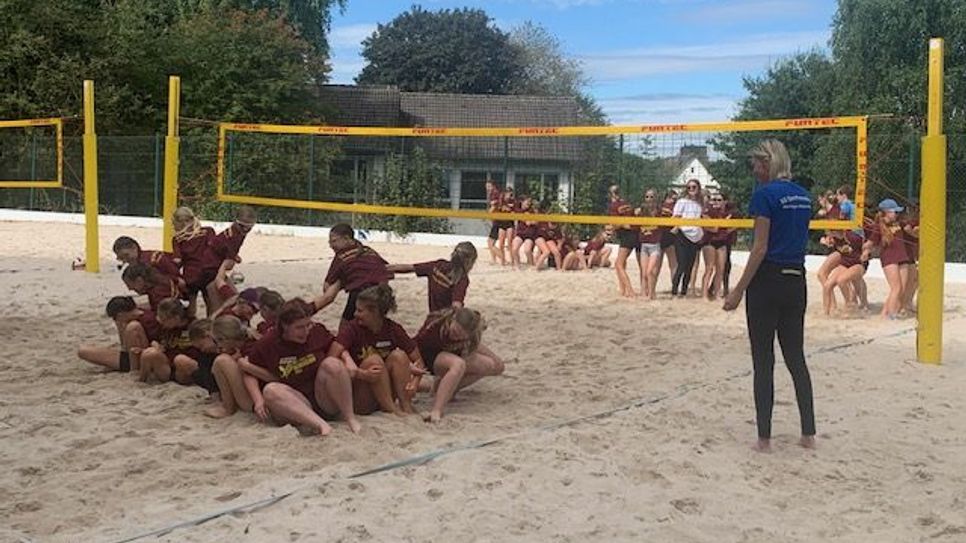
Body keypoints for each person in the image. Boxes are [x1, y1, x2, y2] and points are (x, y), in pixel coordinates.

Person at [723, 139, 815, 453]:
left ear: (767, 164)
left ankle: (764, 440)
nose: (753, 170)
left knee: (764, 360)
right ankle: (808, 434)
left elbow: (760, 247)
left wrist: (738, 290)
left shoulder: (763, 195)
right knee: (796, 357)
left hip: (768, 281)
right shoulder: (804, 196)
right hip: (796, 279)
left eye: (755, 165)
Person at [241, 298, 360, 435]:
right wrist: (258, 400)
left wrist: (348, 359)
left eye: (308, 325)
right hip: (293, 400)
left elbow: (337, 344)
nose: (305, 331)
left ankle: (350, 418)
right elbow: (249, 371)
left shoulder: (316, 331)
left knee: (332, 363)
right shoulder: (268, 343)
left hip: (321, 395)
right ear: (285, 326)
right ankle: (321, 425)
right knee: (271, 390)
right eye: (299, 327)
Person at [328, 285, 426, 416]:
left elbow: (418, 360)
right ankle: (392, 410)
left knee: (399, 356)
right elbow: (331, 358)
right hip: (361, 394)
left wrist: (415, 382)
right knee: (374, 360)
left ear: (375, 312)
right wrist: (358, 372)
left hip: (385, 388)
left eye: (360, 311)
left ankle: (405, 405)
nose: (355, 314)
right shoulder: (352, 329)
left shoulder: (393, 329)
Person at [414, 307, 504, 423]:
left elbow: (472, 353)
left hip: (453, 353)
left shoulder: (473, 335)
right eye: (455, 332)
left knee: (493, 366)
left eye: (461, 336)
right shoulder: (436, 325)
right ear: (453, 320)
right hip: (429, 355)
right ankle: (437, 409)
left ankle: (444, 389)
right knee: (458, 364)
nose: (456, 336)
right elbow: (416, 346)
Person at [312, 223, 393, 328]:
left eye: (334, 241)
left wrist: (342, 283)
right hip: (383, 293)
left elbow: (327, 287)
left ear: (346, 238)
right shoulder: (369, 250)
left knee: (346, 325)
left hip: (361, 292)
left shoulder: (342, 255)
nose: (331, 245)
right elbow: (385, 270)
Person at [77, 296, 159, 373]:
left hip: (142, 359)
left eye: (115, 317)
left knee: (133, 327)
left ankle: (133, 370)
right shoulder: (138, 314)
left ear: (120, 315)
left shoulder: (140, 323)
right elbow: (125, 347)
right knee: (83, 350)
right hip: (133, 355)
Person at [387, 242, 477, 312]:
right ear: (469, 262)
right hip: (447, 322)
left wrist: (385, 268)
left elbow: (409, 267)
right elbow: (456, 305)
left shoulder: (438, 265)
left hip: (432, 317)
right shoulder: (461, 279)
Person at [863, 199, 911, 320]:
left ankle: (884, 314)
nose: (896, 214)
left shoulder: (899, 223)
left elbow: (912, 225)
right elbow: (870, 243)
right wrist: (866, 250)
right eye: (894, 211)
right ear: (886, 212)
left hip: (903, 257)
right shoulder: (878, 227)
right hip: (889, 258)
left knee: (902, 289)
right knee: (896, 288)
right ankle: (891, 315)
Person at [670, 179, 705, 297]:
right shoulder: (682, 201)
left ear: (698, 188)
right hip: (682, 235)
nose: (691, 189)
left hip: (694, 237)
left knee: (690, 266)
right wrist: (677, 226)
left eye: (694, 187)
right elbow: (675, 217)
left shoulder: (700, 204)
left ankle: (684, 292)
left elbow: (702, 219)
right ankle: (674, 291)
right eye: (689, 187)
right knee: (682, 264)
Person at [112, 236, 183, 288]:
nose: (125, 260)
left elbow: (177, 277)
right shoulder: (136, 266)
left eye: (126, 255)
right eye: (121, 258)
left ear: (134, 247)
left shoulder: (153, 259)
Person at [608, 185, 639, 297]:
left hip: (627, 235)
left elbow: (616, 224)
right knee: (623, 263)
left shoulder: (613, 206)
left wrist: (612, 227)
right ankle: (623, 289)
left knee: (618, 264)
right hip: (634, 233)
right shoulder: (627, 204)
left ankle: (630, 290)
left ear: (611, 194)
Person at [636, 189, 663, 300]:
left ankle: (652, 293)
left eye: (651, 197)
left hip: (655, 245)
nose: (649, 199)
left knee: (650, 271)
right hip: (644, 245)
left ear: (655, 198)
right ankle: (644, 293)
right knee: (644, 272)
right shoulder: (640, 212)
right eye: (647, 197)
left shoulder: (660, 212)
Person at [510, 196, 538, 269]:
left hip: (529, 234)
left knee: (527, 250)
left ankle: (531, 265)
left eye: (529, 202)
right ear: (522, 202)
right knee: (514, 249)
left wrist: (531, 222)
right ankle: (517, 265)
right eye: (527, 202)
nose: (529, 203)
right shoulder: (518, 210)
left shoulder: (532, 211)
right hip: (520, 233)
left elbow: (537, 222)